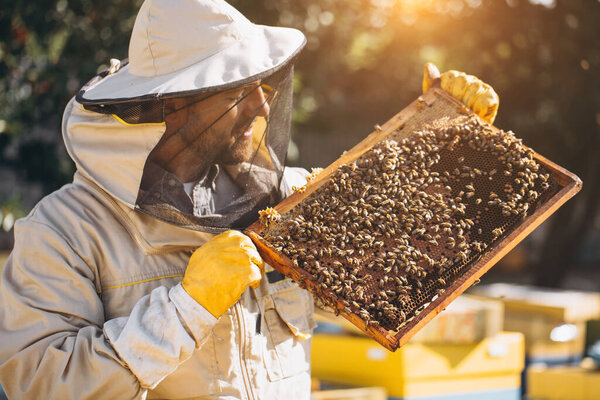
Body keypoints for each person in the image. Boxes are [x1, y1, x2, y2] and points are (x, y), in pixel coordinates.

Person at [0, 0, 498, 399]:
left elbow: (386, 272)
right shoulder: (64, 231)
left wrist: (442, 143)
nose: (262, 103)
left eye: (262, 84)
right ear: (173, 101)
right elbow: (36, 384)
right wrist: (185, 310)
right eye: (238, 90)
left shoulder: (280, 195)